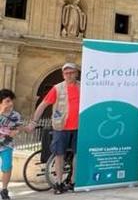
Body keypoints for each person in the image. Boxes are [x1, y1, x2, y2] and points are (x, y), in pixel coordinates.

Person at [28, 62, 80, 194]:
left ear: (76, 73)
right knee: (59, 154)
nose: (69, 75)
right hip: (60, 127)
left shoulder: (83, 87)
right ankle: (58, 183)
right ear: (63, 75)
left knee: (77, 154)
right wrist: (34, 122)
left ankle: (73, 181)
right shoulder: (57, 88)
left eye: (71, 72)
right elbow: (43, 105)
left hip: (79, 127)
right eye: (66, 73)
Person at [0, 89, 29, 200]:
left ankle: (4, 189)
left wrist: (16, 132)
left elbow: (18, 127)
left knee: (7, 167)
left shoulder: (15, 115)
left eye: (11, 100)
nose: (11, 103)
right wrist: (1, 112)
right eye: (7, 101)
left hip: (7, 145)